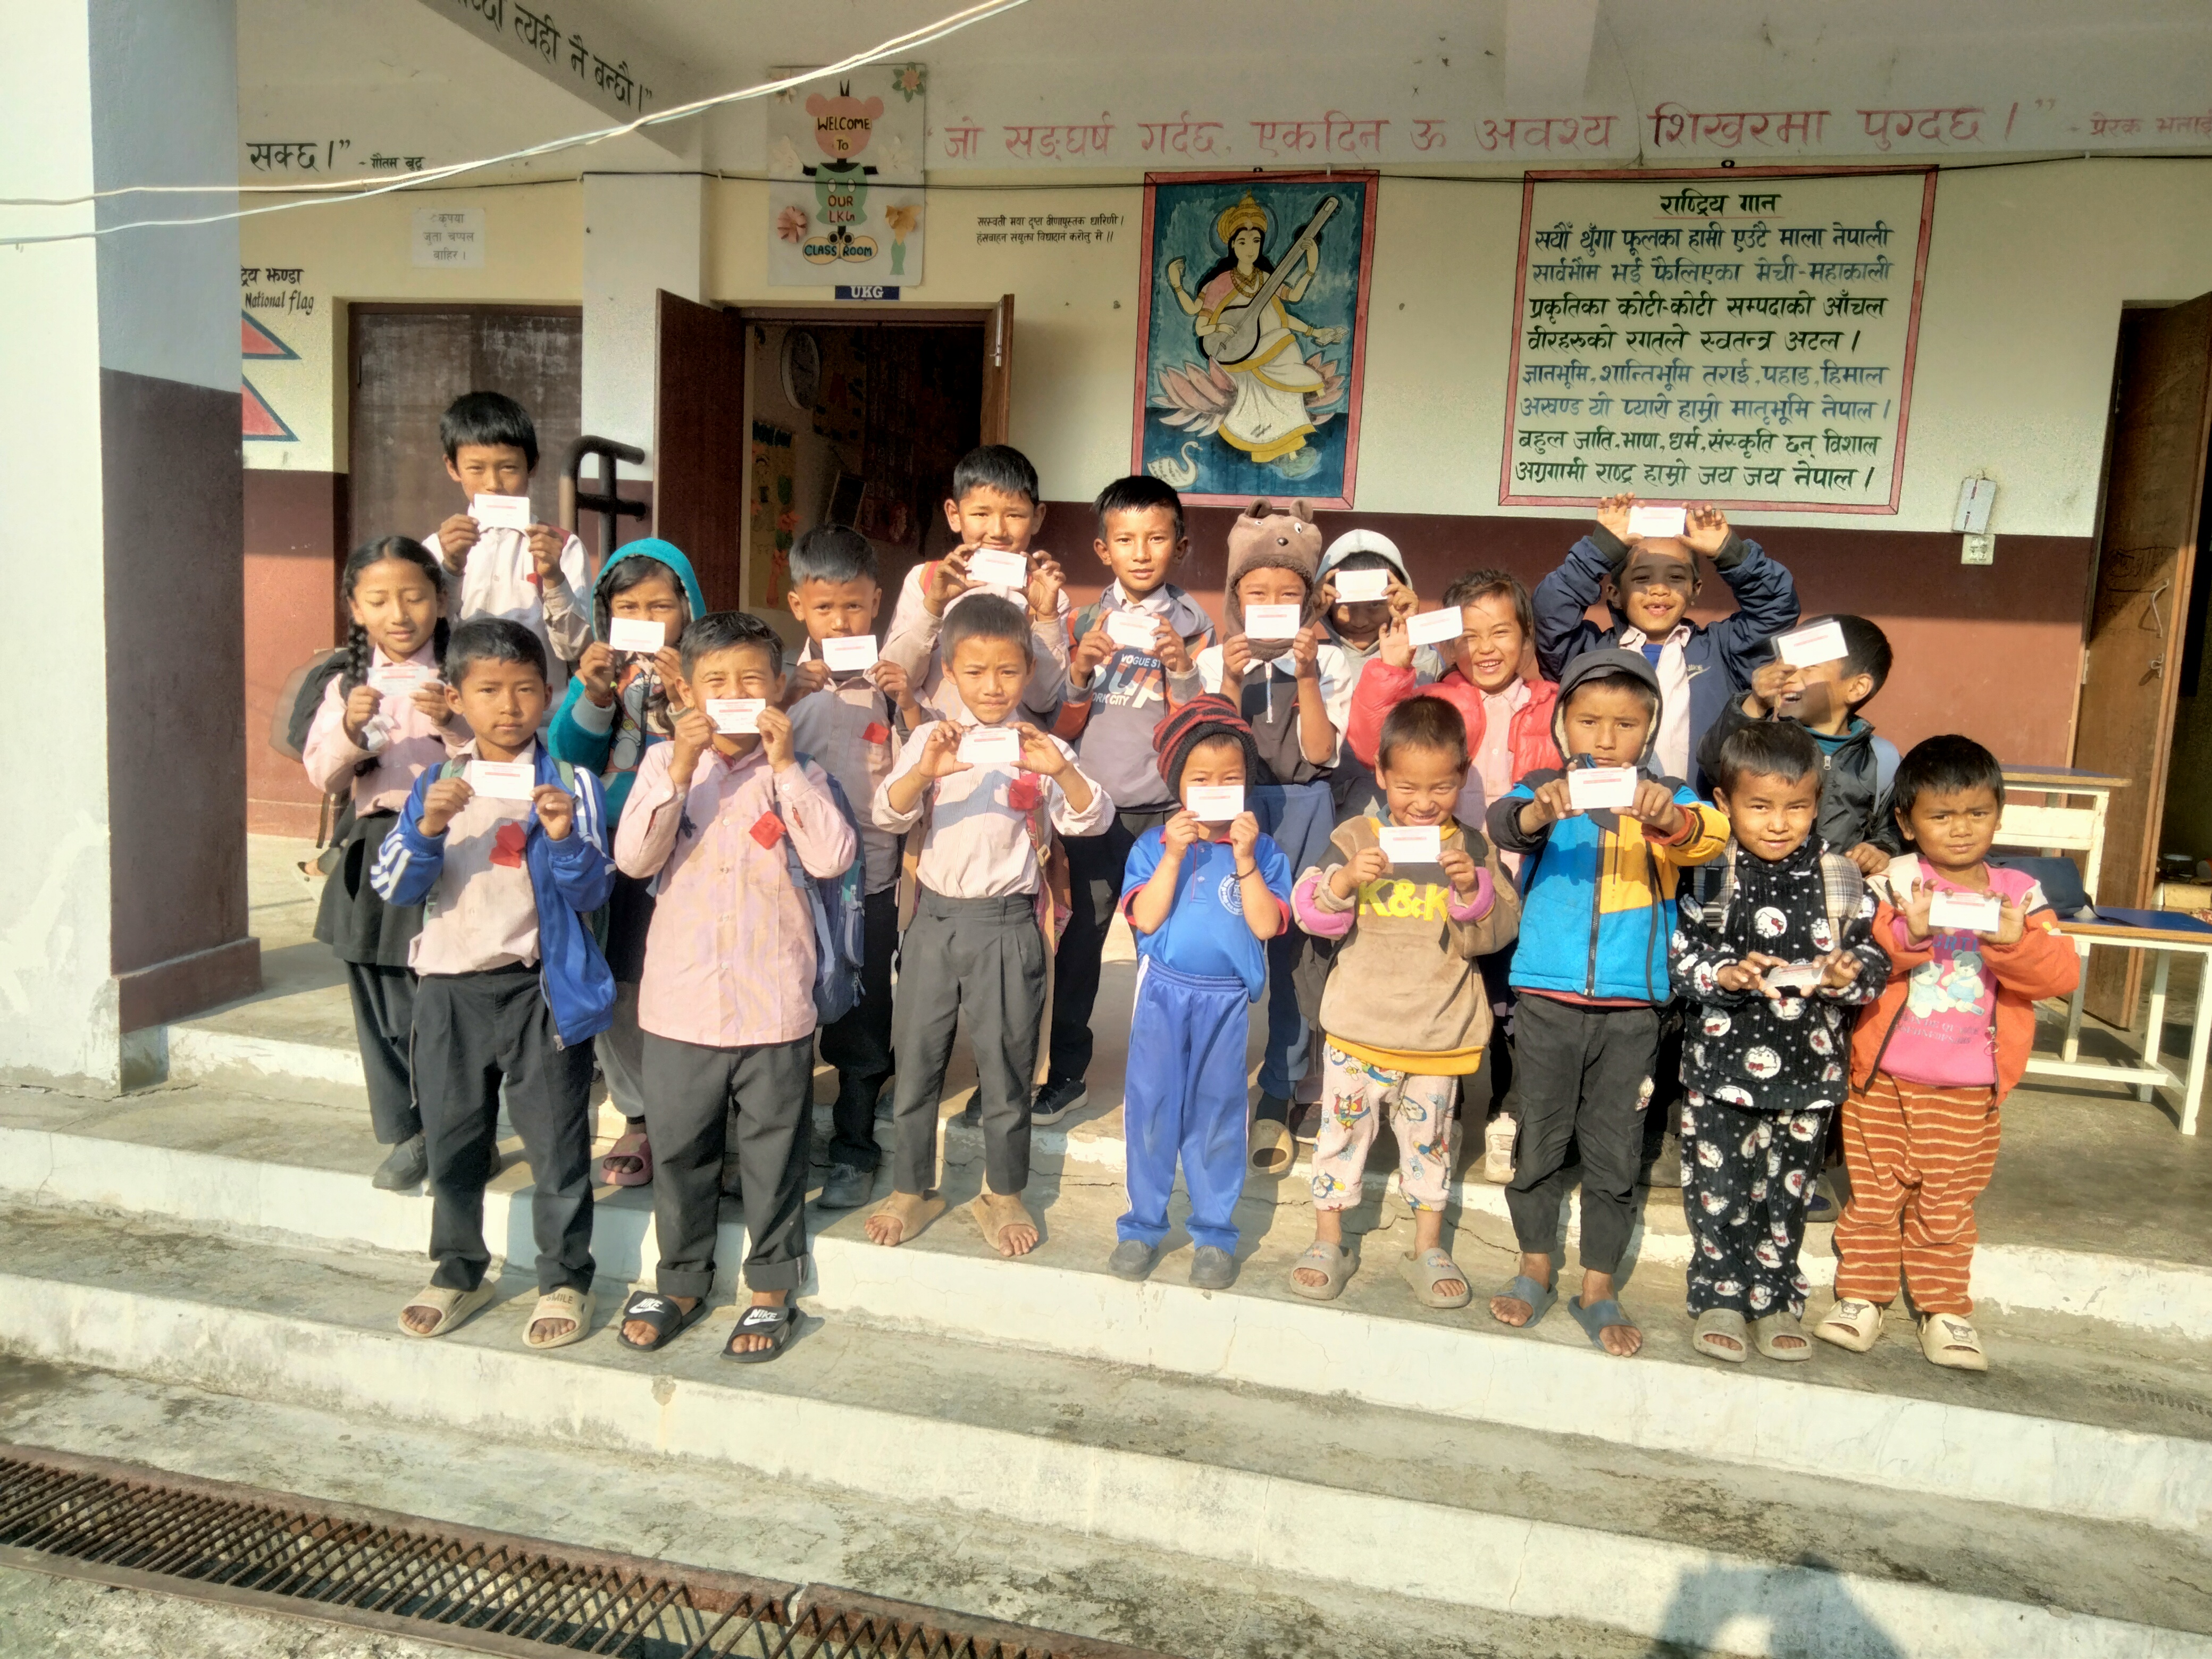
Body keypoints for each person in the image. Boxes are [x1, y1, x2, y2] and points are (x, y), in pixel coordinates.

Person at [610, 612, 857, 1362]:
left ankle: (771, 1285)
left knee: (774, 1150)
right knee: (681, 1146)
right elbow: (633, 860)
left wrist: (784, 769)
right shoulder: (663, 767)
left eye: (752, 680)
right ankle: (680, 1277)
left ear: (779, 688)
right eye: (716, 682)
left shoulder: (803, 774)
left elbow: (832, 857)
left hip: (774, 1001)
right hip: (682, 1006)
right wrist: (681, 768)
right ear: (688, 689)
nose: (735, 695)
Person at [371, 618, 616, 1349]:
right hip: (450, 988)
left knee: (558, 1144)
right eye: (488, 691)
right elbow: (393, 884)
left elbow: (596, 890)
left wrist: (567, 838)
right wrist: (425, 832)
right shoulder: (437, 783)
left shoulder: (572, 783)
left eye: (524, 690)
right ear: (458, 699)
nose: (508, 707)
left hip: (540, 989)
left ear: (549, 695)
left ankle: (565, 1278)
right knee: (454, 1137)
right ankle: (455, 1270)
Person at [1485, 648, 1729, 1358]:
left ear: (1649, 731)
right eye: (1589, 721)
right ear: (1565, 726)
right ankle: (1534, 1263)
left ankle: (1597, 1286)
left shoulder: (1670, 795)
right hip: (1547, 1001)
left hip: (1634, 1007)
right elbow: (1504, 824)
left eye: (1625, 724)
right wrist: (1538, 812)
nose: (1606, 737)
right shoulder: (1544, 788)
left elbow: (1709, 841)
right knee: (1540, 1136)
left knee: (1615, 1151)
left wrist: (1670, 821)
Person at [1815, 736, 2078, 1372]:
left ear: (1997, 813)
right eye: (1939, 815)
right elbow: (1868, 959)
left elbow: (2059, 976)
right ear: (1905, 822)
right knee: (1874, 1195)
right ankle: (1861, 1296)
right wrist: (1914, 930)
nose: (1959, 830)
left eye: (1976, 813)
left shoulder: (2021, 892)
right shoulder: (1894, 883)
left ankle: (1943, 1309)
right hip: (1882, 1079)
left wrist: (2013, 944)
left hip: (1969, 1085)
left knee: (1946, 1201)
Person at [868, 595, 1112, 1258]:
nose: (991, 687)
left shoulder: (1042, 746)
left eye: (1006, 672)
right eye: (974, 672)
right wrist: (923, 772)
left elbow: (1092, 818)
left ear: (1028, 670)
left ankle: (1002, 1191)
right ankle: (911, 1187)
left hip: (1007, 925)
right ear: (949, 669)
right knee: (916, 1062)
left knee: (1006, 1069)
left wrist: (1059, 770)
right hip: (932, 921)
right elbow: (886, 815)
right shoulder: (930, 739)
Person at [1668, 722, 1887, 1364]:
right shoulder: (1709, 874)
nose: (1776, 823)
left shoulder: (1841, 876)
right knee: (1719, 1188)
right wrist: (1726, 976)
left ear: (1816, 803)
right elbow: (1683, 961)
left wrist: (1848, 977)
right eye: (1758, 806)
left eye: (1795, 807)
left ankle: (1774, 1296)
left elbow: (1872, 959)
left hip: (1807, 1075)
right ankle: (1718, 1295)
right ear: (1722, 801)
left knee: (1787, 1191)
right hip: (1720, 1071)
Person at [1288, 697, 1519, 1307]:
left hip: (1435, 1032)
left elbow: (1498, 932)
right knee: (1339, 1141)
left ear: (1463, 777)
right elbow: (1308, 912)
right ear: (1382, 775)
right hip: (1359, 1026)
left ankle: (1426, 1247)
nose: (1423, 801)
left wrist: (1471, 891)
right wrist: (1342, 882)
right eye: (1408, 785)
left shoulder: (1473, 846)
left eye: (1441, 786)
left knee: (1430, 1147)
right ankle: (1327, 1239)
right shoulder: (1356, 835)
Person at [1346, 568, 1563, 1181]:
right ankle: (1446, 1115)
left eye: (1501, 632)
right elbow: (1370, 745)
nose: (1486, 647)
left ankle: (1511, 1113)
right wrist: (1392, 667)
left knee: (1519, 1002)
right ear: (1446, 642)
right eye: (1468, 635)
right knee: (1461, 994)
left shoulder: (1549, 704)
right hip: (1446, 882)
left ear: (1526, 638)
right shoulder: (1435, 699)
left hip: (1528, 880)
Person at [1038, 475, 1214, 1127]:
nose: (1141, 552)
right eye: (1125, 540)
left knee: (1162, 947)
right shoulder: (1083, 622)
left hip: (1162, 811)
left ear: (1181, 545)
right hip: (1092, 809)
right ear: (1101, 548)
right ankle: (1065, 1073)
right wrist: (1080, 671)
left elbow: (1200, 730)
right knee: (1079, 945)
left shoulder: (1196, 625)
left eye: (1157, 538)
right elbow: (1060, 728)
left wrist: (1181, 668)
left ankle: (1163, 1076)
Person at [1110, 697, 1291, 1288]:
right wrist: (1173, 853)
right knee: (1152, 1110)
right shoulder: (1152, 847)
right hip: (1163, 994)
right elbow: (1148, 918)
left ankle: (1214, 1232)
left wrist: (1243, 860)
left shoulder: (1262, 852)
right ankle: (1141, 1225)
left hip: (1224, 1001)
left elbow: (1266, 925)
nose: (1217, 789)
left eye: (1231, 780)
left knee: (1217, 1114)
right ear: (1177, 785)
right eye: (1201, 780)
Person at [302, 536, 463, 1189]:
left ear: (440, 599)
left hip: (456, 845)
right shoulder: (346, 682)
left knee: (444, 1001)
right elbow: (322, 773)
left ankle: (456, 1126)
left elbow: (506, 751)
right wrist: (348, 728)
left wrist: (453, 724)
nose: (399, 614)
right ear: (355, 608)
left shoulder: (462, 668)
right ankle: (407, 1130)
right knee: (382, 1001)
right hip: (375, 846)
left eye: (415, 597)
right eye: (379, 600)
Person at [1193, 499, 1350, 1169]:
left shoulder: (1331, 662)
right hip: (1232, 813)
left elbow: (1319, 751)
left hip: (1306, 810)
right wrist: (1228, 678)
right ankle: (1213, 1087)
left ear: (1310, 602)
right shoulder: (1213, 662)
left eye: (1289, 594)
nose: (1272, 603)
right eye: (1257, 593)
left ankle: (1280, 1095)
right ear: (1235, 597)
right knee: (1226, 942)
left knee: (1296, 958)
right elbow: (1213, 746)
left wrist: (1308, 675)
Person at [543, 538, 704, 1191]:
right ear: (607, 613)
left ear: (687, 609)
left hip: (690, 841)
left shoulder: (708, 663)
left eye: (661, 605)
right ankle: (639, 1113)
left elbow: (729, 741)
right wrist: (598, 694)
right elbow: (569, 750)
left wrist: (689, 694)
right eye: (629, 605)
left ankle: (694, 1111)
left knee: (684, 973)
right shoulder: (601, 672)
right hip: (613, 842)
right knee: (621, 976)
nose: (646, 616)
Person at [781, 525, 924, 1207]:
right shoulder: (778, 681)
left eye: (855, 608)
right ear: (797, 608)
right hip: (790, 882)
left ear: (877, 605)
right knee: (782, 1010)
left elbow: (921, 767)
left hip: (867, 882)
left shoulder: (890, 685)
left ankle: (853, 1144)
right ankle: (773, 1147)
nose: (840, 621)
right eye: (824, 608)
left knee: (863, 1013)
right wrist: (780, 694)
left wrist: (909, 705)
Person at [1534, 493, 1801, 795]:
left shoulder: (1722, 650)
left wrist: (1730, 554)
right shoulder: (1591, 655)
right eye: (1642, 578)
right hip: (1607, 822)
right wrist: (1600, 550)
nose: (1659, 590)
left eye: (1675, 578)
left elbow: (1777, 608)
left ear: (1694, 590)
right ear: (1615, 594)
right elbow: (1550, 612)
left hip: (1699, 817)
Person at [879, 444, 1071, 725]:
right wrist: (933, 608)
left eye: (1014, 515)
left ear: (1037, 517)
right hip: (933, 748)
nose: (997, 531)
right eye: (981, 514)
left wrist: (1046, 617)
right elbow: (895, 679)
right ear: (954, 515)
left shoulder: (1049, 598)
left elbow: (1043, 700)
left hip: (1009, 760)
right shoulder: (927, 582)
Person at [1696, 614, 1901, 876]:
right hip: (1752, 886)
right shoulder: (1765, 741)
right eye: (1783, 664)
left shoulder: (1880, 759)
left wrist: (1881, 848)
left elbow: (1894, 824)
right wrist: (1756, 703)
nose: (1787, 676)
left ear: (1857, 687)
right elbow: (1715, 762)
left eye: (1808, 667)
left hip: (1832, 896)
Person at [423, 392, 592, 701]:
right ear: (452, 467)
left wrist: (554, 577)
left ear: (532, 465)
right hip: (464, 714)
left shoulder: (562, 547)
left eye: (509, 468)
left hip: (543, 716)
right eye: (476, 469)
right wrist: (450, 569)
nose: (493, 483)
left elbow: (575, 647)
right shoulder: (438, 547)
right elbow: (425, 637)